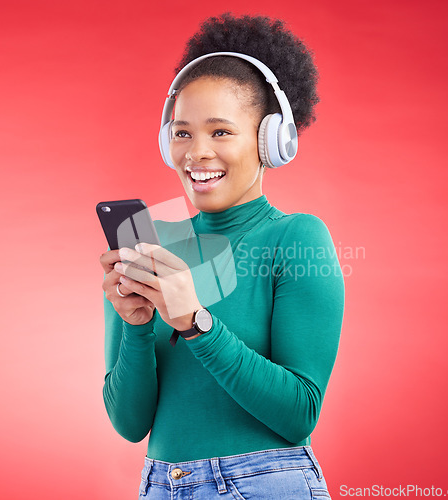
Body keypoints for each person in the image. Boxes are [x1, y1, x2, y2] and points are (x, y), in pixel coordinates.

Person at [99, 13, 344, 499]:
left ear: (271, 139)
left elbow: (299, 415)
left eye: (221, 132)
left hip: (266, 482)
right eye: (183, 133)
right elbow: (130, 424)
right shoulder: (150, 247)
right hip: (160, 486)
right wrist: (136, 322)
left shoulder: (297, 238)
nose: (196, 153)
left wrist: (195, 320)